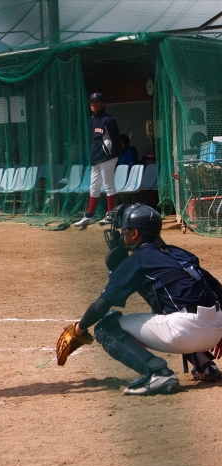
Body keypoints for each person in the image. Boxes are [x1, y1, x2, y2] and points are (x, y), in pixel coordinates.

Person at [67, 203, 222, 395]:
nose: (120, 234)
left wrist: (79, 329)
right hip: (216, 329)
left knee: (105, 326)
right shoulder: (179, 253)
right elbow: (217, 289)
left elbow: (102, 304)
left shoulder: (137, 259)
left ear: (135, 234)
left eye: (124, 229)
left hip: (185, 331)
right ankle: (205, 364)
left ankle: (158, 373)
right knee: (166, 303)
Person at [74, 92, 121, 227]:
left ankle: (111, 215)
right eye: (92, 102)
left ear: (103, 104)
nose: (93, 104)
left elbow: (115, 140)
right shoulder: (92, 119)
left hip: (107, 157)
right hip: (96, 159)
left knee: (108, 185)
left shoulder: (108, 119)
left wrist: (113, 155)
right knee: (94, 187)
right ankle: (89, 216)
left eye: (96, 102)